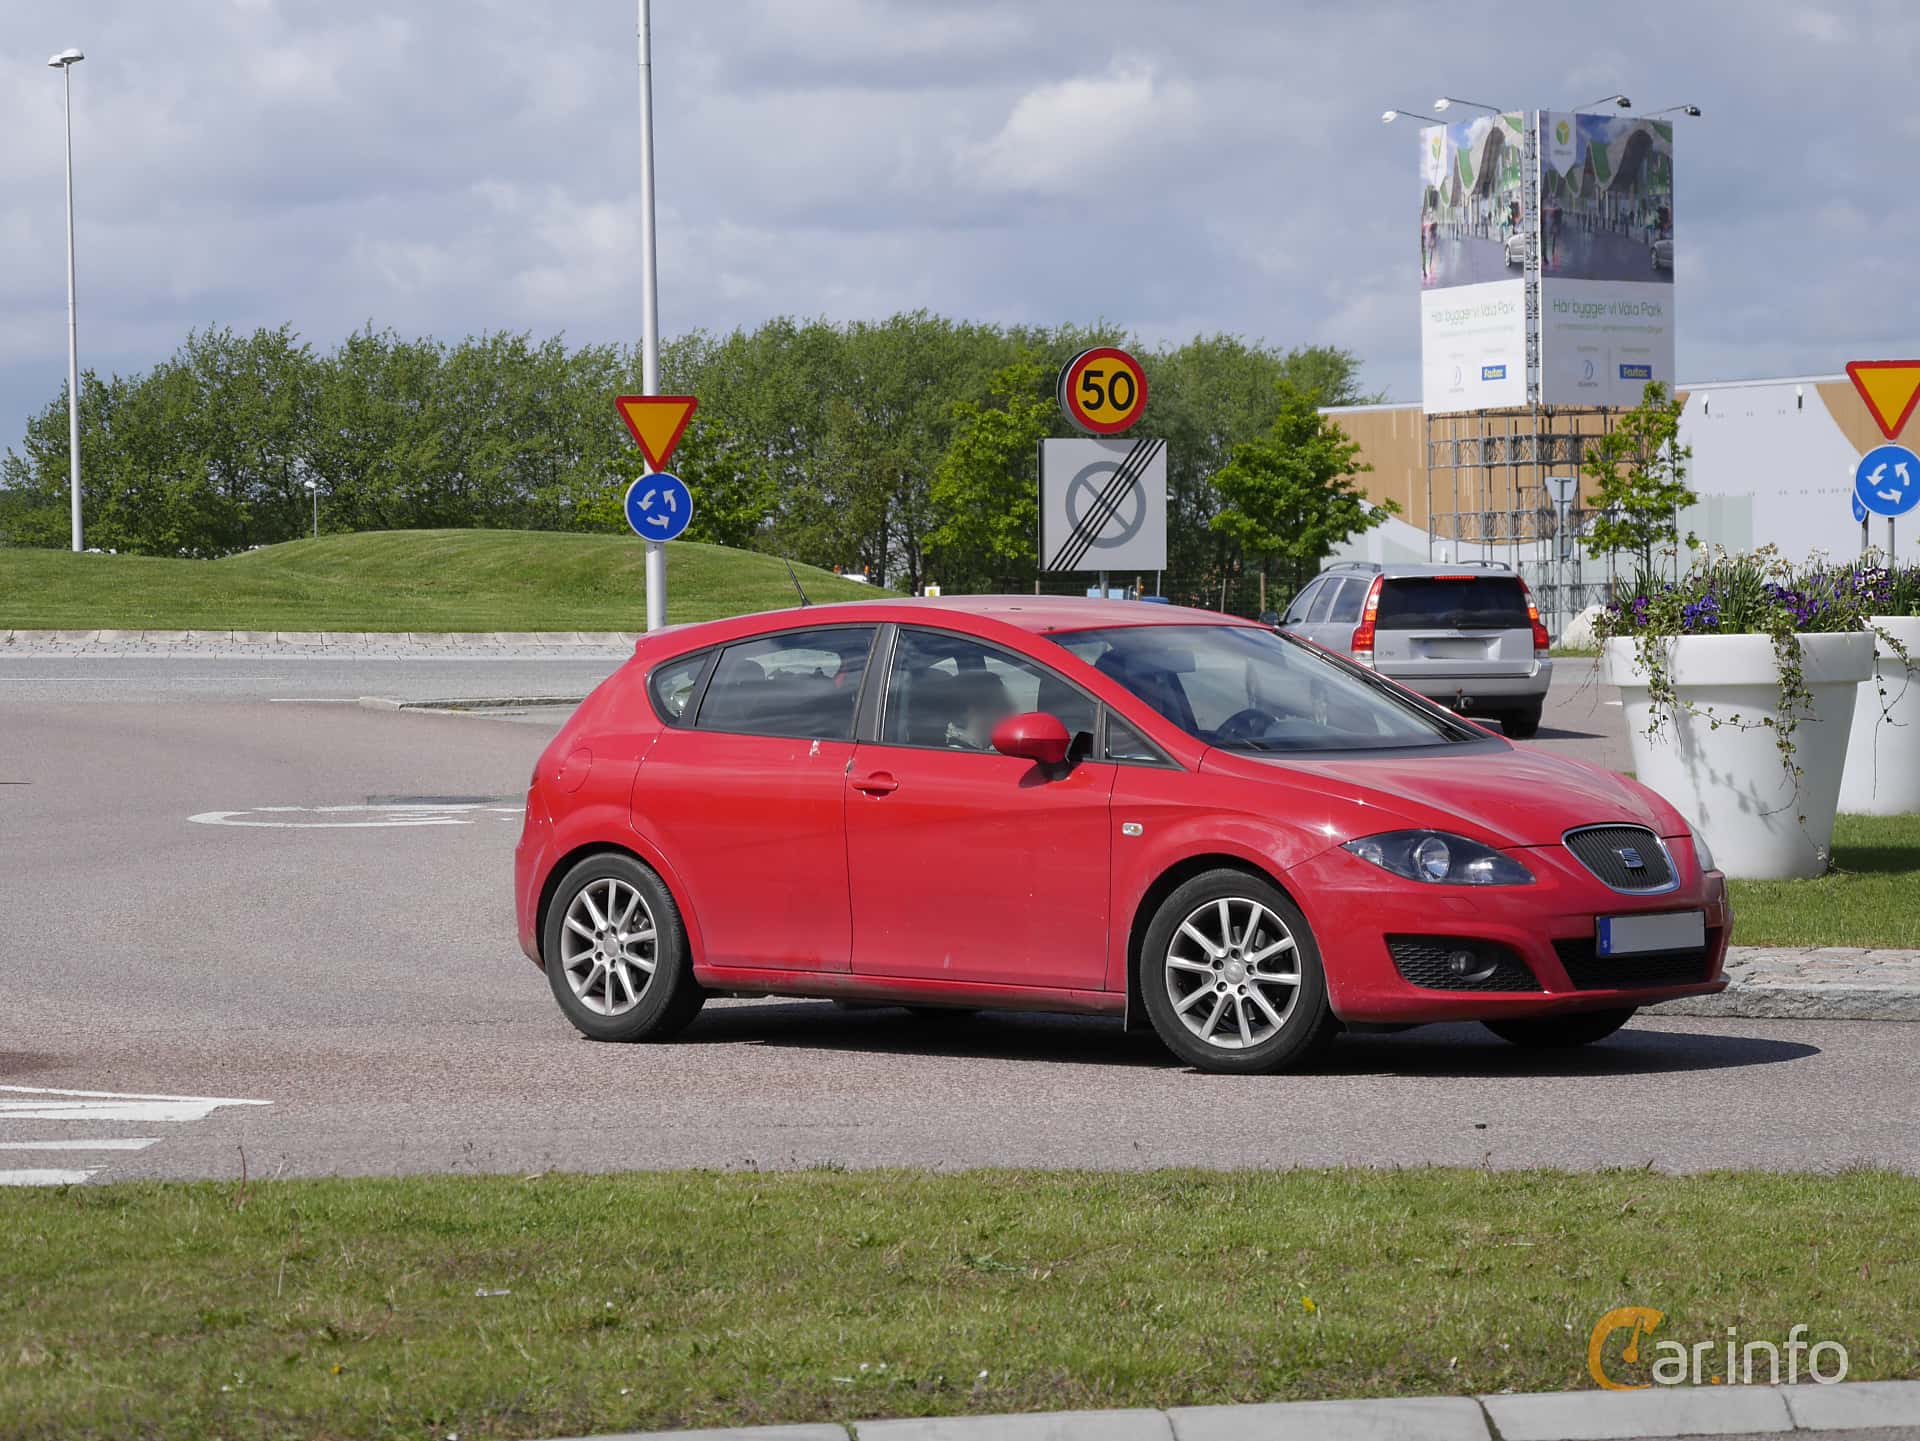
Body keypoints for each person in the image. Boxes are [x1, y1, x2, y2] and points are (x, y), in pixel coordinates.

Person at [945, 669, 1015, 751]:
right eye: (1002, 706)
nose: (1011, 711)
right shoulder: (960, 757)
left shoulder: (975, 752)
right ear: (973, 712)